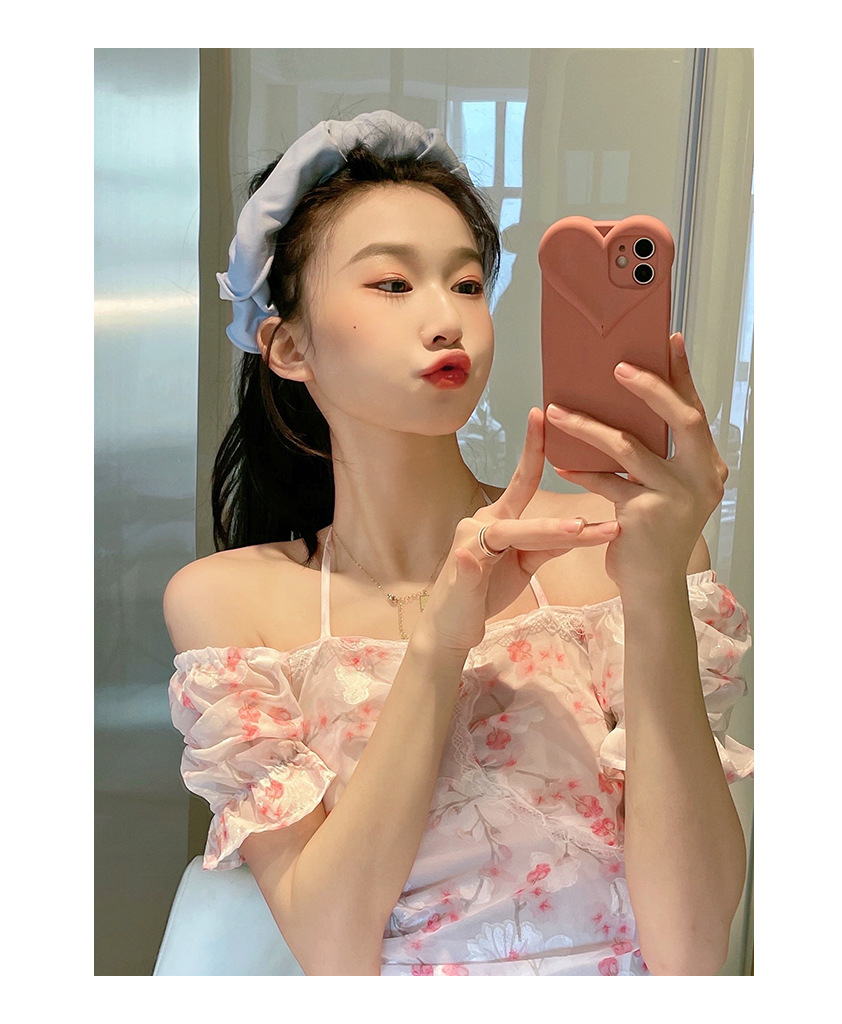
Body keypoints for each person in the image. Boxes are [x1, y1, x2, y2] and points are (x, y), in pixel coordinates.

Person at [164, 110, 753, 977]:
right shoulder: (231, 601)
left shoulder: (611, 550)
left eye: (469, 284)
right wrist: (439, 644)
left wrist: (657, 585)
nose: (448, 318)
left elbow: (693, 956)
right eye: (392, 284)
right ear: (287, 346)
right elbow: (333, 952)